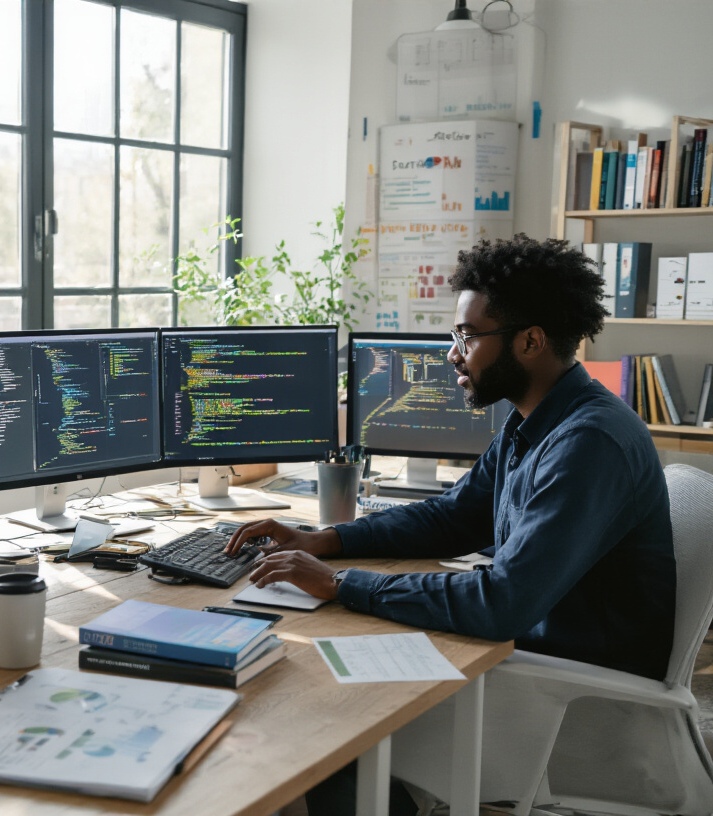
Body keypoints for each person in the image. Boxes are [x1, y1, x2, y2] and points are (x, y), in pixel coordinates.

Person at [222, 234, 676, 813]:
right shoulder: (532, 421)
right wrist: (326, 540)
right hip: (530, 653)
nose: (453, 353)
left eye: (467, 335)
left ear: (531, 341)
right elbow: (453, 516)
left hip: (569, 692)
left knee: (329, 713)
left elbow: (502, 602)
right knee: (326, 678)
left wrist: (340, 584)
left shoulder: (588, 443)